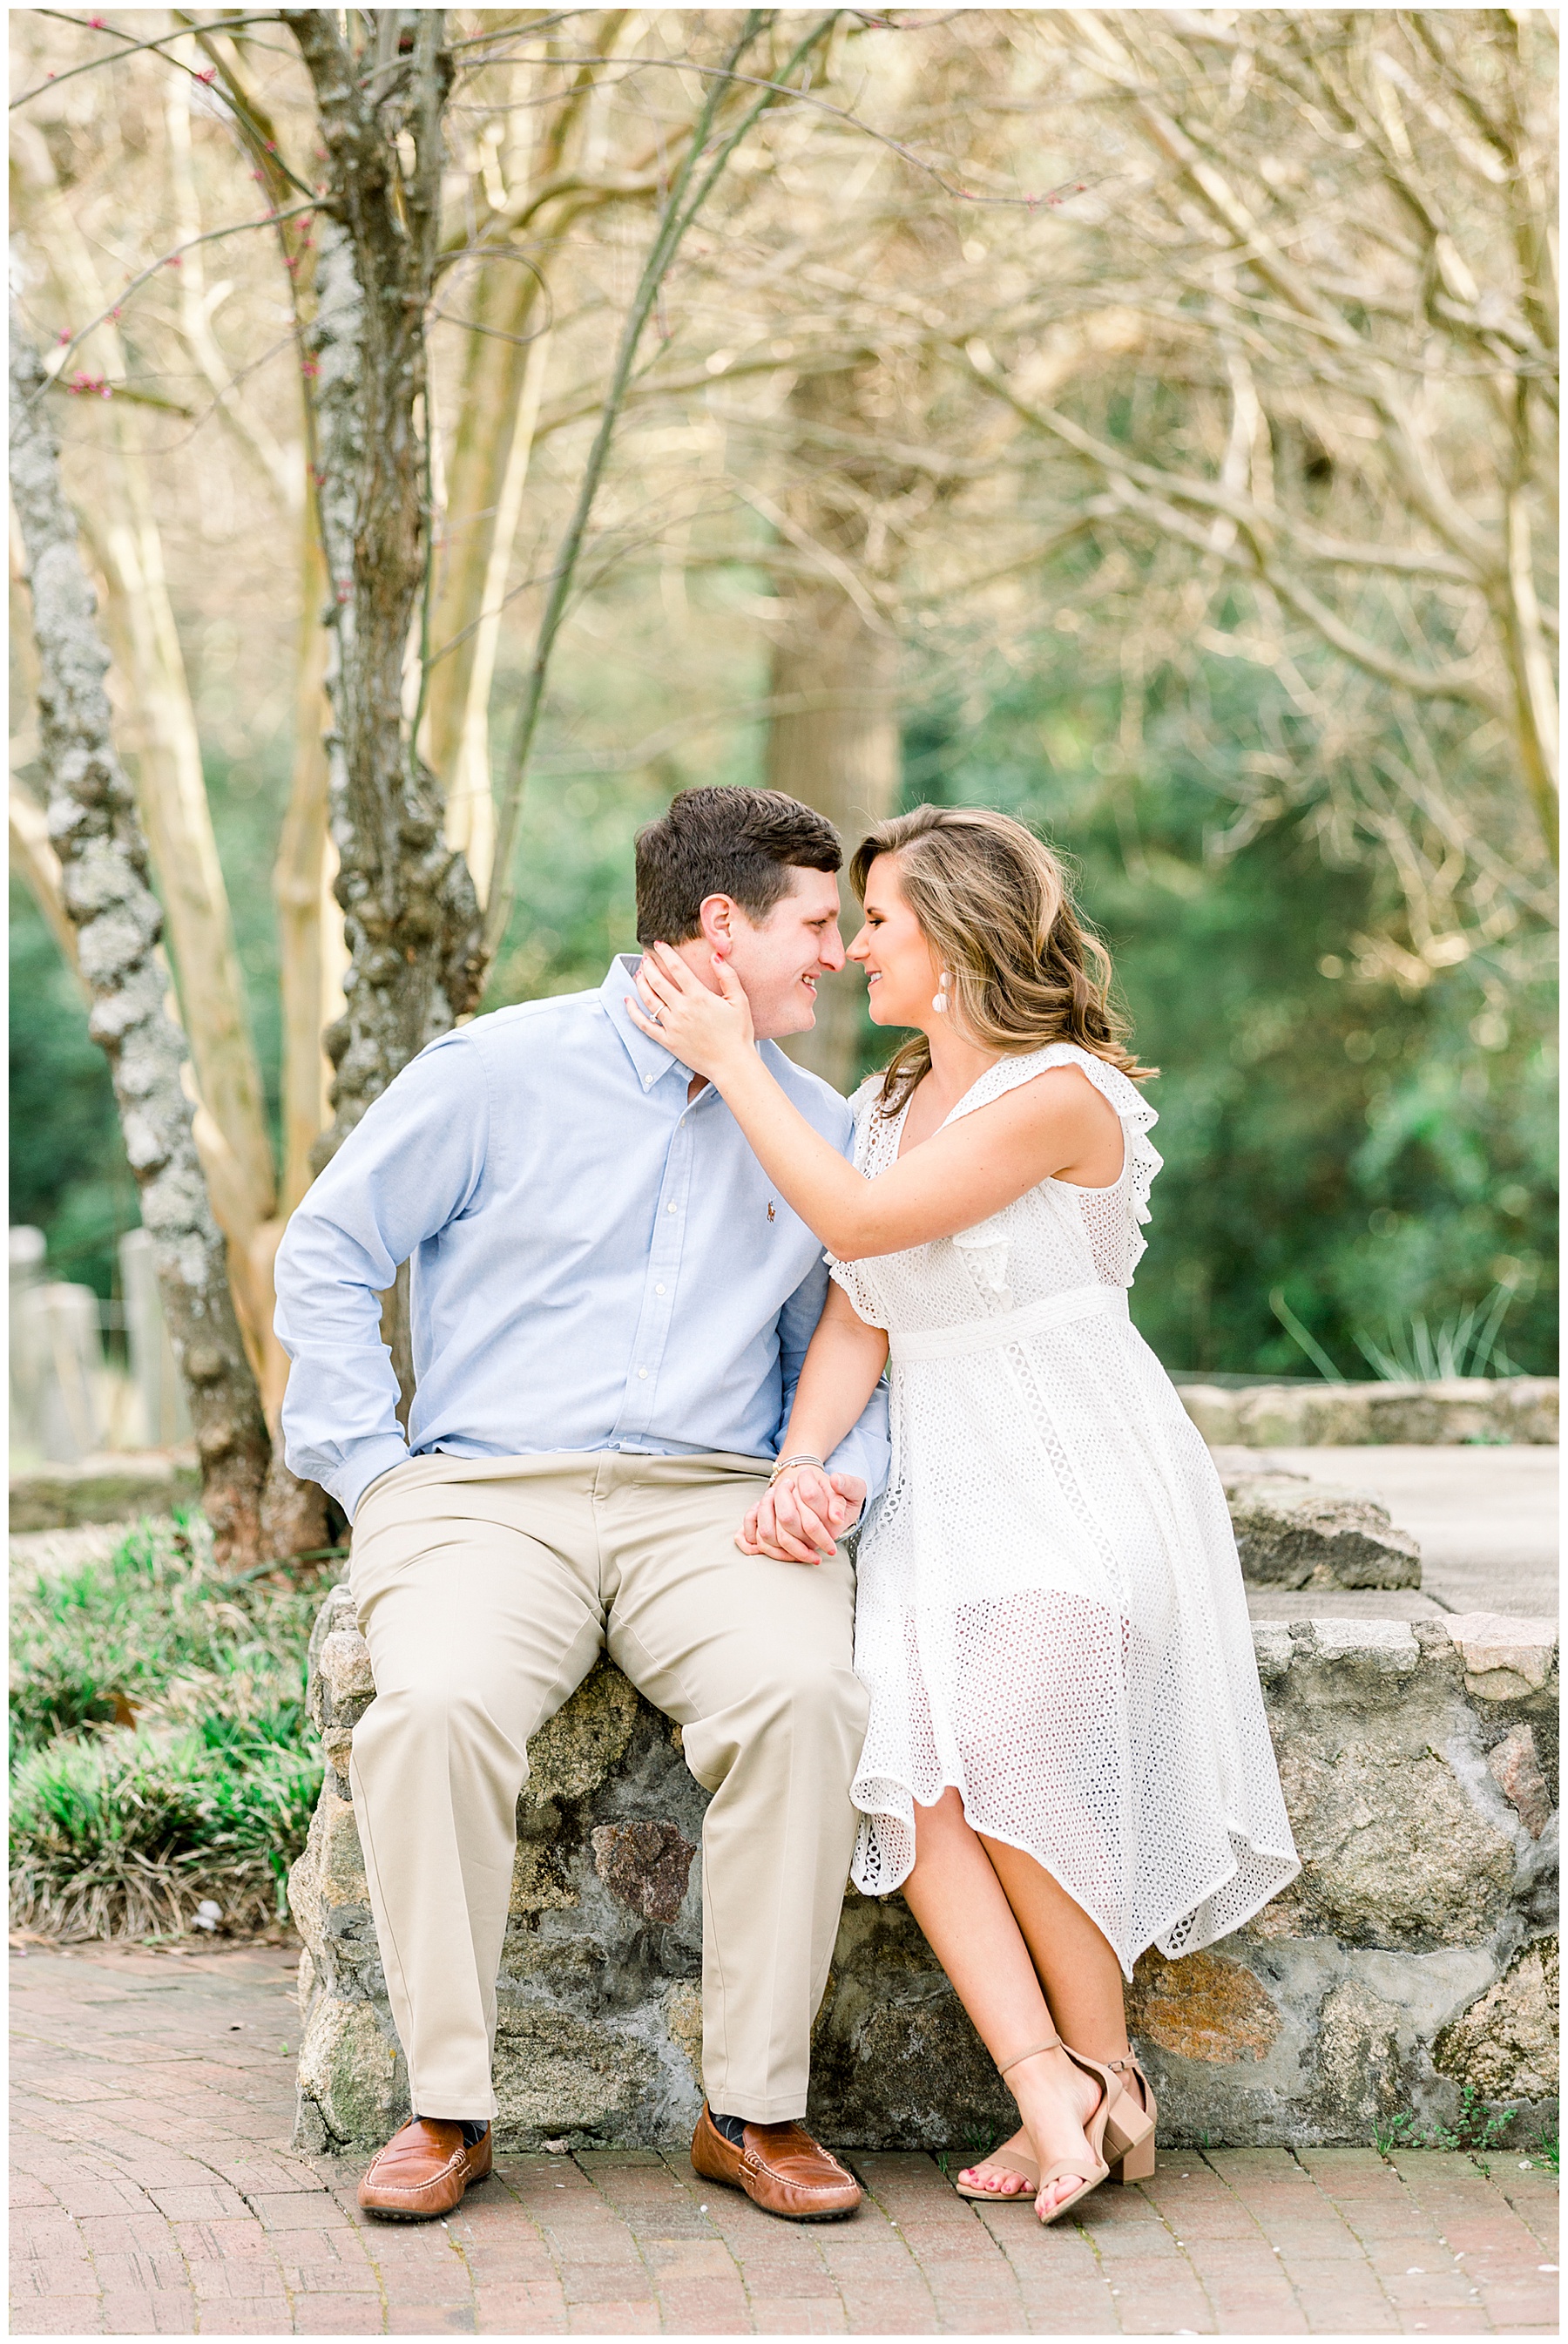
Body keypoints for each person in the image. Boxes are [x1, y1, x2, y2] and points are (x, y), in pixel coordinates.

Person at [627, 802, 1301, 2226]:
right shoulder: (887, 1104)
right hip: (946, 1489)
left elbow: (859, 1230)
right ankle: (1046, 2084)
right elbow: (862, 1314)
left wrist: (733, 1060)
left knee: (996, 1730)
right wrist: (799, 1465)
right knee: (907, 1758)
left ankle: (1115, 2079)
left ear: (955, 932)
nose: (854, 945)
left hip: (1077, 1473)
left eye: (876, 920)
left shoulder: (1060, 1094)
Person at [274, 787, 889, 2225]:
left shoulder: (817, 1126)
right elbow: (328, 1252)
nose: (841, 953)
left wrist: (825, 1479)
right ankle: (447, 2110)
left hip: (715, 1505)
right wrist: (375, 1477)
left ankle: (752, 2113)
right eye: (817, 923)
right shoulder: (496, 1069)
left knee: (806, 1701)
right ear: (722, 925)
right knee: (425, 1714)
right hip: (488, 1494)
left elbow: (849, 1343)